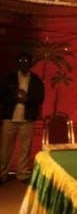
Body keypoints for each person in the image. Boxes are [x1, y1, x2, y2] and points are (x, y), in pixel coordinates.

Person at [0, 52, 44, 184]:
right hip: (10, 117)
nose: (24, 65)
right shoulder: (9, 78)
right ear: (18, 64)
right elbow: (2, 95)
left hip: (27, 118)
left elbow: (40, 97)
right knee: (5, 148)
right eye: (21, 62)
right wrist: (16, 97)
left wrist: (27, 98)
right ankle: (2, 174)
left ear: (30, 64)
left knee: (25, 148)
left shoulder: (36, 80)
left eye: (26, 62)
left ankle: (22, 174)